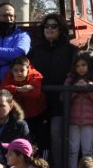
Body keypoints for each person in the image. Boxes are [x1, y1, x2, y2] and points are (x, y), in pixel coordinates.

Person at [27, 14, 76, 159]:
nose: (49, 29)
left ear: (60, 29)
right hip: (37, 101)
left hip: (60, 101)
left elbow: (77, 73)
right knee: (38, 136)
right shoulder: (35, 50)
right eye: (46, 26)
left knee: (56, 134)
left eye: (53, 26)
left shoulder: (70, 50)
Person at [64, 51, 93, 168]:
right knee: (73, 149)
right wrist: (75, 89)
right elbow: (64, 98)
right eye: (77, 66)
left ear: (89, 65)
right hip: (73, 120)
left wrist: (90, 88)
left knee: (87, 150)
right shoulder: (70, 81)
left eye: (83, 65)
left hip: (90, 121)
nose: (80, 68)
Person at [0, 56, 47, 145]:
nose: (19, 73)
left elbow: (35, 94)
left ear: (27, 69)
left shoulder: (35, 75)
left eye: (22, 70)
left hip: (37, 114)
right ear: (11, 71)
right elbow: (2, 90)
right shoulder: (8, 75)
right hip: (18, 115)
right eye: (15, 70)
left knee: (39, 141)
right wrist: (18, 89)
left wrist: (13, 92)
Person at [0, 1, 30, 90]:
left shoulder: (23, 36)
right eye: (5, 15)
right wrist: (9, 60)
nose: (9, 19)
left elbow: (19, 53)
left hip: (13, 85)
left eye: (11, 16)